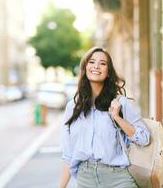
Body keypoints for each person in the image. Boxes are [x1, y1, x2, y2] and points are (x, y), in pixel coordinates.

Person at [58, 46, 150, 188]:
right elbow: (68, 155)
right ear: (85, 68)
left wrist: (118, 118)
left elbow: (144, 138)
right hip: (85, 178)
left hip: (118, 178)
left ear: (108, 72)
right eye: (92, 62)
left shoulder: (120, 103)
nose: (96, 66)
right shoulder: (73, 107)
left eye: (102, 63)